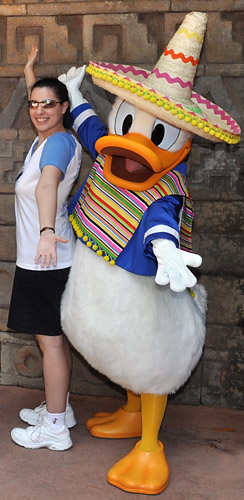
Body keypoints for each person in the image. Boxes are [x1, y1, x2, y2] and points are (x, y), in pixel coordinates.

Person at [8, 47, 82, 451]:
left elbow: (46, 185)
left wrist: (47, 230)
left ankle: (55, 428)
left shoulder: (55, 145)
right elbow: (41, 99)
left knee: (50, 342)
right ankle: (62, 409)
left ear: (64, 107)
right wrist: (29, 71)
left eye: (49, 105)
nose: (39, 111)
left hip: (46, 256)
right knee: (55, 339)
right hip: (47, 254)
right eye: (34, 104)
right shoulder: (48, 138)